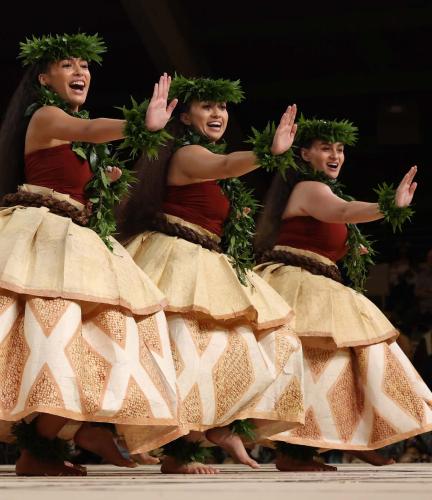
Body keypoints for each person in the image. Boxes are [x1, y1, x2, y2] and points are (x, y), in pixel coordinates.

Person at [0, 32, 181, 476]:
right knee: (52, 336)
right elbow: (87, 127)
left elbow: (82, 161)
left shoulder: (76, 141)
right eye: (67, 65)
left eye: (84, 65)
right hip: (42, 238)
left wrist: (103, 188)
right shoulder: (46, 115)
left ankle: (53, 439)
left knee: (91, 339)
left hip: (74, 238)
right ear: (43, 78)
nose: (80, 71)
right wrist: (141, 124)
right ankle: (42, 445)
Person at [118, 75, 305, 474]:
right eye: (207, 106)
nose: (217, 113)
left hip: (203, 257)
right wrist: (266, 154)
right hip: (175, 261)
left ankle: (214, 429)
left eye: (222, 107)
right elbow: (223, 163)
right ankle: (181, 449)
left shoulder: (204, 161)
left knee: (240, 348)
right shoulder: (188, 156)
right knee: (191, 350)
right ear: (184, 116)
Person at [254, 116, 432, 471]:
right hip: (298, 283)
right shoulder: (309, 188)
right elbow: (343, 211)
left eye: (340, 149)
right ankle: (300, 449)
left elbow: (336, 217)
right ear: (304, 154)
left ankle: (351, 436)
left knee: (345, 364)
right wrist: (388, 206)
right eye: (325, 148)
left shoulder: (322, 189)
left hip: (318, 282)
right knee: (322, 365)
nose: (335, 154)